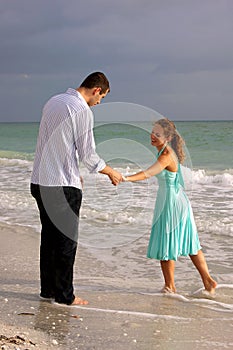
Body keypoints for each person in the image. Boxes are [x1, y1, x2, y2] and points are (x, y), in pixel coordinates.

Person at [30, 72, 122, 306]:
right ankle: (65, 296)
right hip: (62, 186)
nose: (99, 103)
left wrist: (73, 170)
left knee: (49, 238)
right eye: (101, 97)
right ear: (96, 90)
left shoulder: (54, 101)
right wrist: (110, 171)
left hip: (40, 180)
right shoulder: (82, 110)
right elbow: (89, 155)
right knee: (66, 242)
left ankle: (48, 290)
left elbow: (57, 142)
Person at [123, 118, 217, 295]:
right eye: (152, 132)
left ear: (167, 138)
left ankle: (170, 286)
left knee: (167, 244)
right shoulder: (164, 152)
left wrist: (125, 178)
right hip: (176, 201)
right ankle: (207, 280)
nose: (152, 136)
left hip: (172, 204)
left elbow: (148, 173)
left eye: (157, 134)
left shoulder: (166, 155)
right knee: (191, 244)